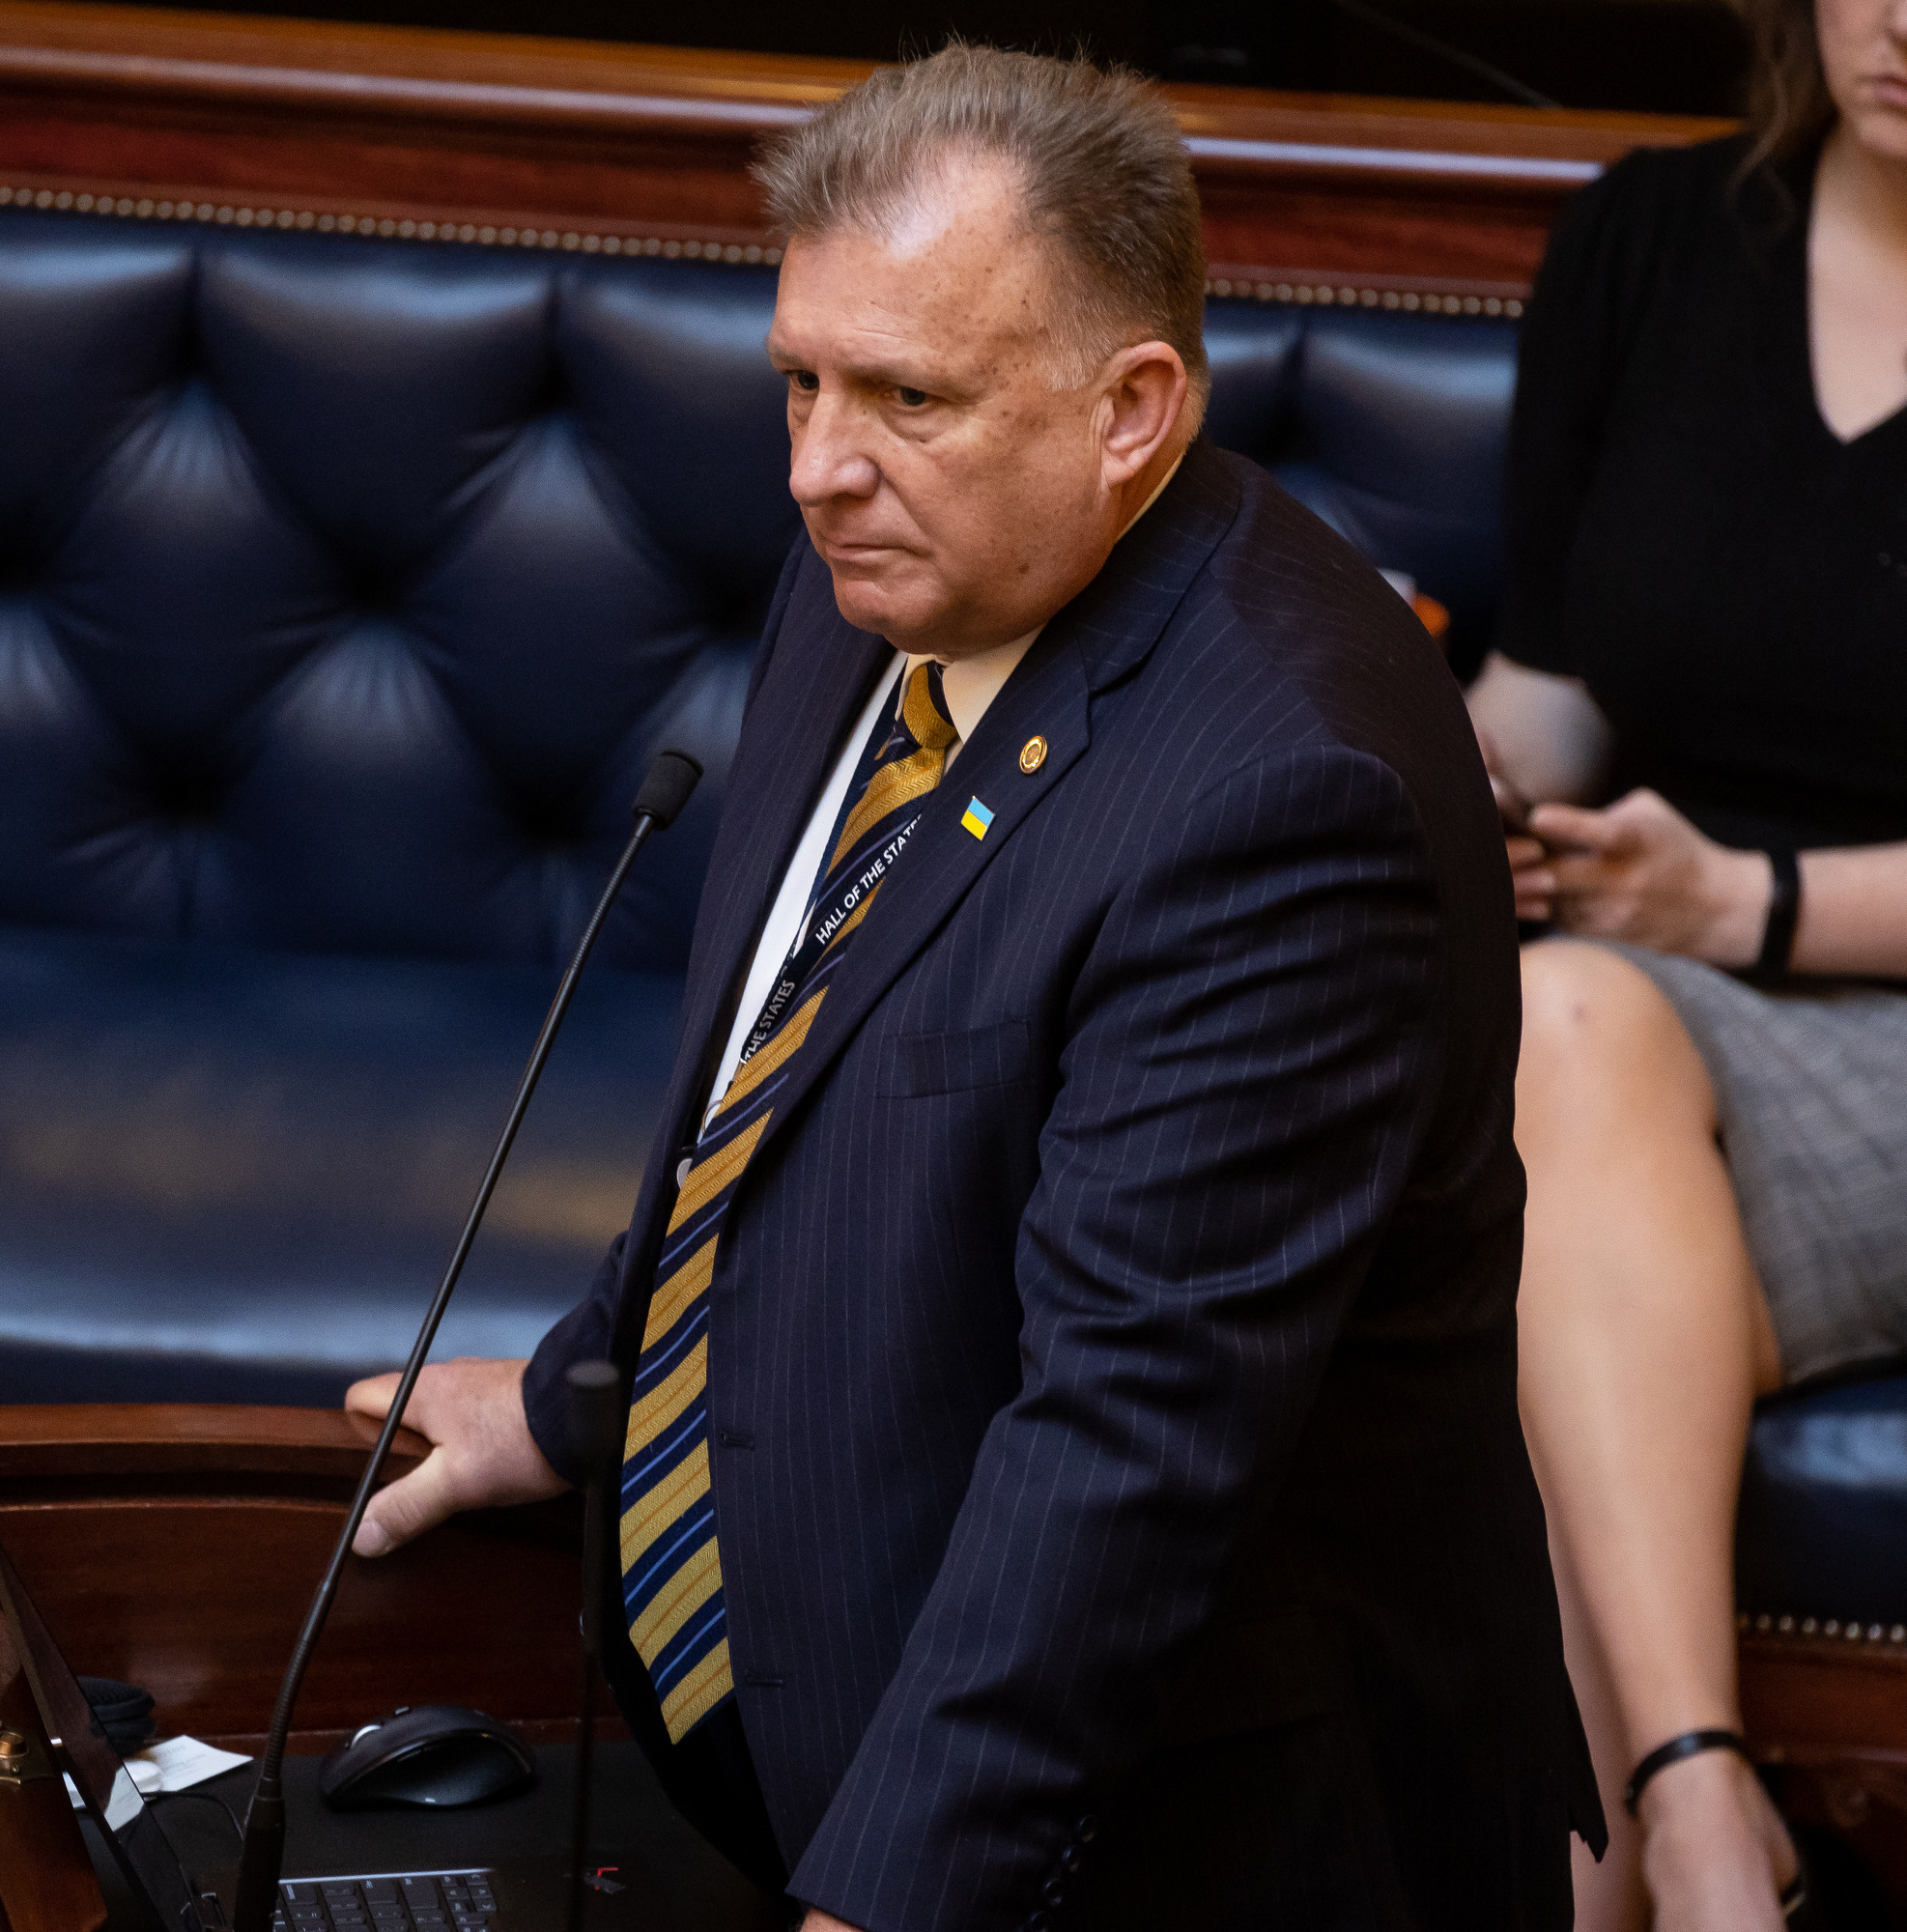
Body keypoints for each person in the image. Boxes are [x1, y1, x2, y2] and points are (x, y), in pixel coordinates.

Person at [347, 43, 1600, 1930]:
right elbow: (785, 1086)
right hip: (808, 1726)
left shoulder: (1280, 799)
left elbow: (1127, 1446)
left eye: (905, 395)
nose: (815, 466)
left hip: (1192, 1844)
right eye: (800, 379)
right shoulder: (894, 558)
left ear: (1131, 410)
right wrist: (579, 1388)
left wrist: (891, 1898)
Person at [1472, 0, 1907, 1920]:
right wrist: (1398, 728)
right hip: (1634, 1007)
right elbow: (1552, 700)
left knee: (1502, 1222)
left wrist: (1749, 907)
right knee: (1553, 1062)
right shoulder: (1648, 242)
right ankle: (1691, 1843)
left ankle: (1676, 1816)